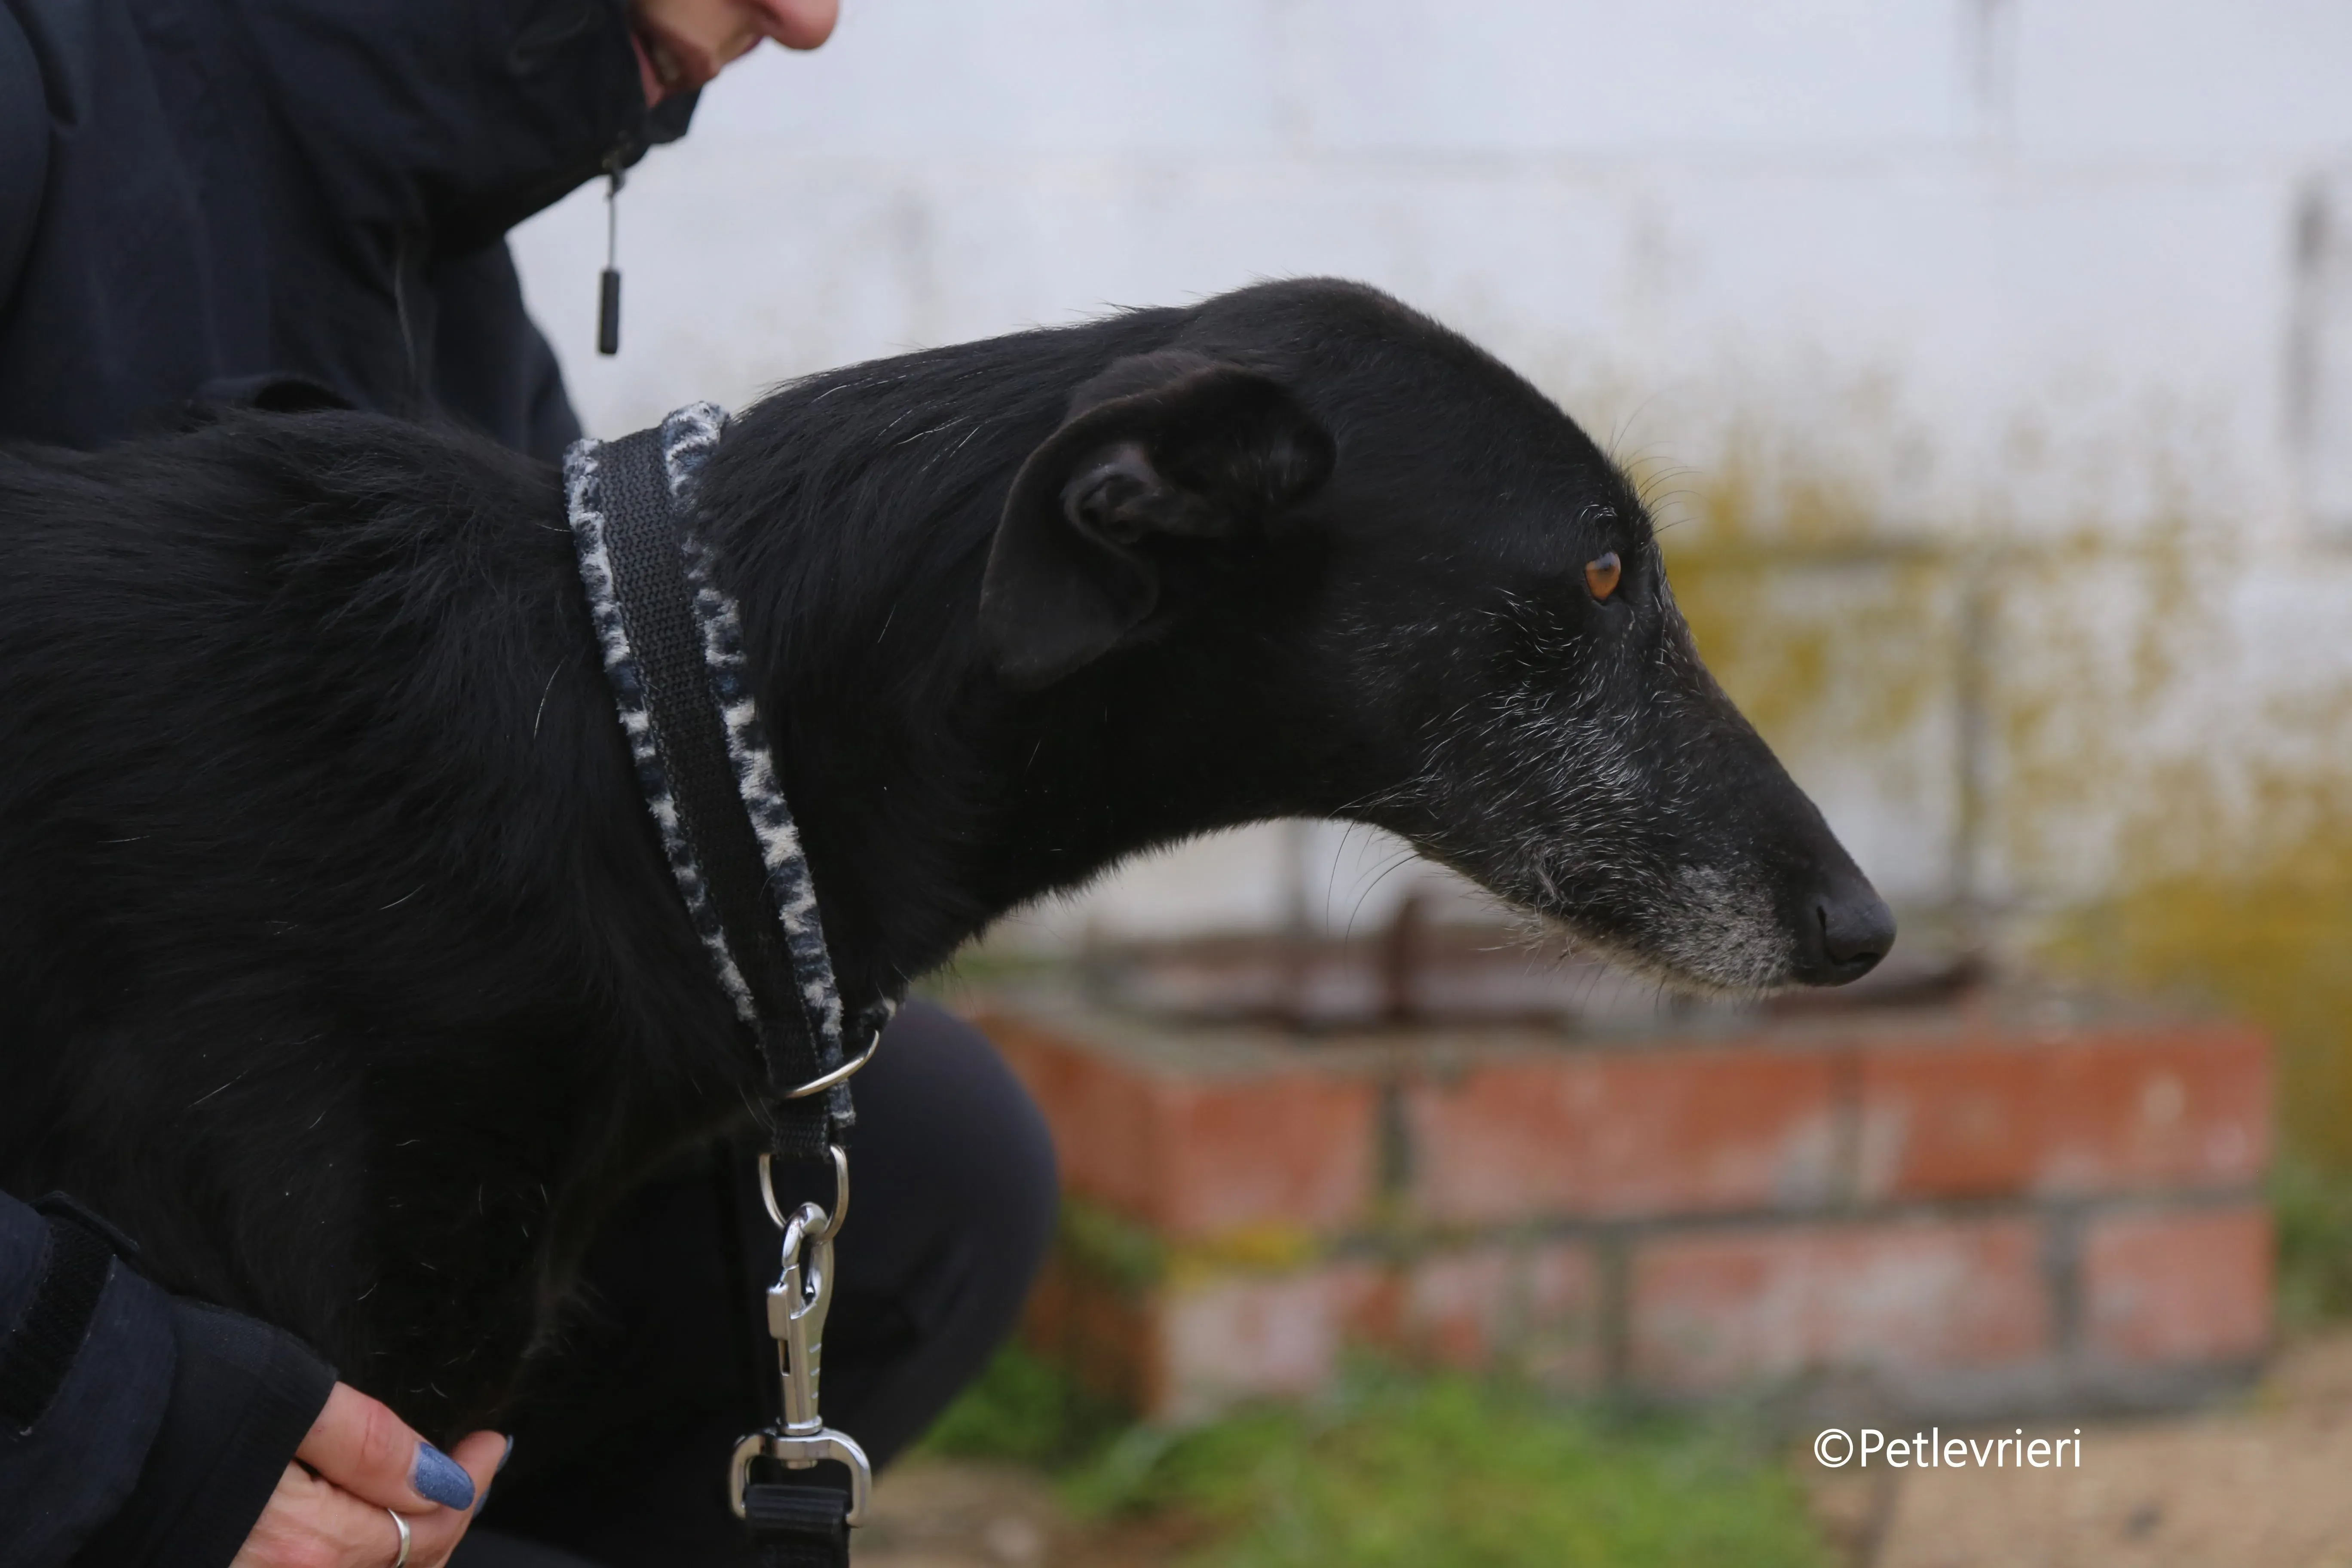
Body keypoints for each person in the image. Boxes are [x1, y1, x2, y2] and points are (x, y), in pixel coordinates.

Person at [0, 2, 1061, 1564]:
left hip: (257, 1342)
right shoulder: (43, 94)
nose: (810, 21)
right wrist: (101, 1409)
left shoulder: (443, 285)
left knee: (915, 1167)